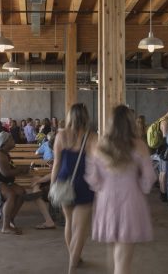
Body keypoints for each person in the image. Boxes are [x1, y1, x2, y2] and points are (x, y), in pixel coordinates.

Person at [85, 105, 156, 274]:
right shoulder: (139, 145)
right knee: (124, 254)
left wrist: (103, 188)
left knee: (115, 250)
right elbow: (149, 178)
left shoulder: (99, 144)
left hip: (106, 200)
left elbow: (92, 179)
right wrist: (142, 189)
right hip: (130, 199)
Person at [51, 103, 97, 273]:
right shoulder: (92, 137)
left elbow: (56, 163)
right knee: (81, 228)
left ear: (70, 116)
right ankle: (72, 265)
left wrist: (52, 185)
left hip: (64, 182)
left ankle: (74, 256)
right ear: (86, 117)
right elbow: (96, 164)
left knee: (69, 222)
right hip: (84, 183)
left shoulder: (61, 135)